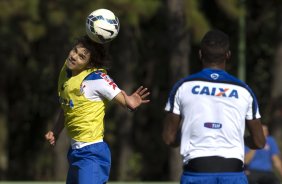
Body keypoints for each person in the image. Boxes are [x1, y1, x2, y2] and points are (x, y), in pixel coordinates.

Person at [162, 29, 266, 184]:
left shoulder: (183, 86)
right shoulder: (244, 90)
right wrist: (239, 139)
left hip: (196, 171)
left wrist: (191, 135)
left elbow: (169, 138)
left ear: (200, 54)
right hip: (233, 172)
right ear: (228, 55)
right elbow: (259, 142)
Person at [44, 35, 150, 184]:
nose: (74, 56)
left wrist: (130, 101)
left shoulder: (96, 79)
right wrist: (56, 130)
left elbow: (126, 101)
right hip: (75, 152)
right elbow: (66, 106)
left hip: (91, 154)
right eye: (74, 51)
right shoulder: (67, 73)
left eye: (81, 57)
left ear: (89, 64)